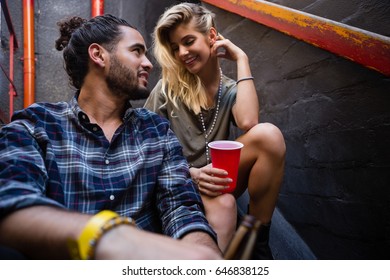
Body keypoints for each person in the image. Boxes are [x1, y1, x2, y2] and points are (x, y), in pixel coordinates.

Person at [0, 14, 221, 260]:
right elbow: (11, 201)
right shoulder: (36, 125)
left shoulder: (156, 131)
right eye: (137, 51)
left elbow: (181, 207)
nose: (148, 63)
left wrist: (205, 256)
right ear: (98, 55)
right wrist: (112, 238)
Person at [144, 3, 286, 259]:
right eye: (175, 48)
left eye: (188, 41)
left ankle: (258, 241)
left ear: (212, 36)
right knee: (226, 204)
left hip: (220, 179)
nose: (182, 53)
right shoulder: (166, 90)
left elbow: (248, 121)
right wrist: (192, 173)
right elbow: (144, 147)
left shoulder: (229, 90)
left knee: (269, 135)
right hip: (182, 180)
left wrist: (242, 58)